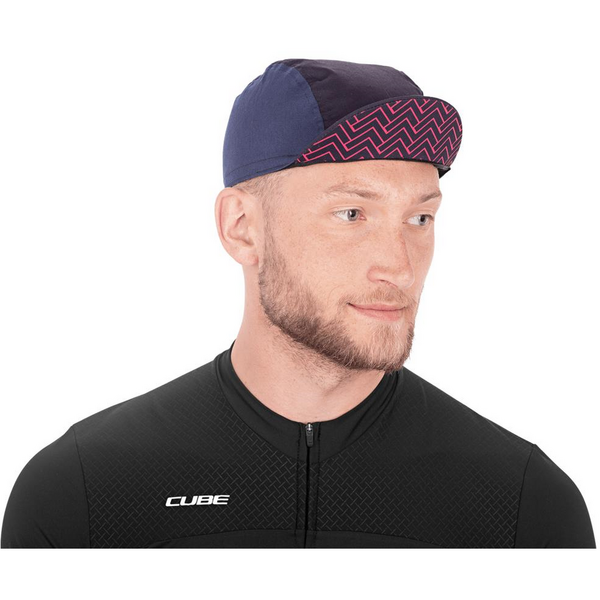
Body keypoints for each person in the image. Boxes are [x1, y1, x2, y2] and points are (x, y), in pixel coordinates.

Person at [1, 58, 595, 548]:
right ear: (242, 228)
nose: (399, 265)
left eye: (419, 218)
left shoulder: (522, 506)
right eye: (352, 213)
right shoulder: (83, 493)